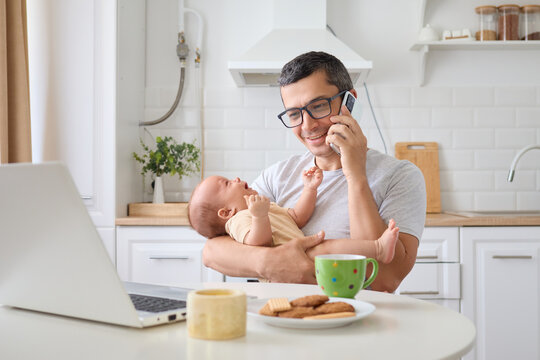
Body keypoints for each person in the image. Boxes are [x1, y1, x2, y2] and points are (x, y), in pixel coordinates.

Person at [202, 51, 426, 292]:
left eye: (318, 106)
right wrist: (273, 262)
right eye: (294, 114)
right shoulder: (277, 177)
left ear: (349, 101)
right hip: (282, 318)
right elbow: (212, 251)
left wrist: (355, 175)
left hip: (357, 322)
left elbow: (384, 279)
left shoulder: (401, 176)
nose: (307, 125)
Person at [188, 172, 399, 270]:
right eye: (226, 183)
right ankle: (378, 249)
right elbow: (257, 244)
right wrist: (259, 216)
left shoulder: (265, 208)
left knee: (329, 247)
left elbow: (297, 217)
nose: (235, 179)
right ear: (226, 212)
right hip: (293, 260)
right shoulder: (239, 221)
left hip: (303, 255)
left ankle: (378, 249)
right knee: (328, 247)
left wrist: (310, 189)